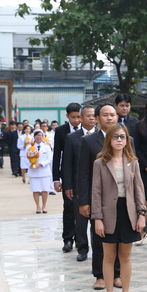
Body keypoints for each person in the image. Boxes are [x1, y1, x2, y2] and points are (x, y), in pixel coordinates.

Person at [91, 124, 146, 292]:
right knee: (108, 256)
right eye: (116, 137)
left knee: (126, 256)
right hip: (108, 213)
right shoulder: (100, 163)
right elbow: (96, 192)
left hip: (128, 212)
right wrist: (97, 218)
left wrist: (142, 214)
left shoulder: (133, 162)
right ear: (109, 139)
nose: (120, 140)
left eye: (123, 137)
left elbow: (139, 190)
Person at [77, 103, 121, 290]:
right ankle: (100, 275)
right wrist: (83, 201)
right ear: (97, 118)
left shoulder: (126, 139)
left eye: (112, 114)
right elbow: (83, 174)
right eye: (105, 115)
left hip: (121, 197)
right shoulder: (88, 141)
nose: (110, 118)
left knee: (119, 236)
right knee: (99, 236)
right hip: (98, 198)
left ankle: (117, 274)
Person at [63, 106, 97, 262]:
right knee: (81, 219)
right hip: (79, 184)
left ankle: (98, 249)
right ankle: (82, 248)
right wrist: (68, 185)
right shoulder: (72, 137)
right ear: (81, 118)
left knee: (97, 219)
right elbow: (67, 164)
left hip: (97, 184)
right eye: (88, 116)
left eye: (94, 116)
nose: (92, 118)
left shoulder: (101, 136)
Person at [53, 102, 83, 253]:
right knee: (69, 208)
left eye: (79, 117)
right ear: (67, 116)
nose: (76, 120)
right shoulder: (61, 131)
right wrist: (56, 179)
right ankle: (68, 239)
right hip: (67, 175)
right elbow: (57, 155)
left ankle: (80, 238)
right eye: (73, 117)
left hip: (83, 175)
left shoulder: (87, 130)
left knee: (82, 209)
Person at [27, 129, 53, 213]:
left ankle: (44, 206)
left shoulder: (46, 147)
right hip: (34, 172)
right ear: (34, 137)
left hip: (44, 171)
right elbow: (25, 158)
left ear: (43, 136)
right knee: (35, 190)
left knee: (45, 189)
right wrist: (30, 164)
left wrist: (41, 164)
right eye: (36, 135)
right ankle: (37, 206)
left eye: (40, 135)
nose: (38, 137)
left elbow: (50, 159)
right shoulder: (29, 147)